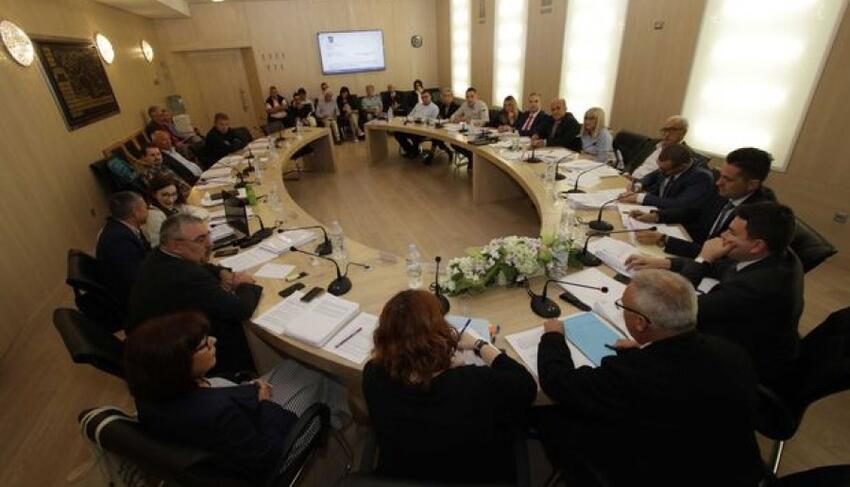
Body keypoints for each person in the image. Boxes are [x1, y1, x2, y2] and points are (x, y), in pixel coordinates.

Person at [534, 270, 763, 486]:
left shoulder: (632, 375)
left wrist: (553, 337)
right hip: (733, 469)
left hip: (659, 473)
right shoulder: (731, 351)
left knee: (548, 415)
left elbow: (558, 382)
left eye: (622, 307)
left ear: (640, 323)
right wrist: (645, 350)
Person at [124, 312, 350, 484]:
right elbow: (268, 455)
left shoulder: (149, 395)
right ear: (178, 366)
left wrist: (248, 394)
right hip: (273, 447)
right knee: (322, 376)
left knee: (298, 365)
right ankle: (331, 421)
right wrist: (263, 403)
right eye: (205, 344)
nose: (214, 341)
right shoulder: (218, 412)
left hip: (232, 422)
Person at [363, 290, 536, 484]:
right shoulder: (473, 384)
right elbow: (526, 385)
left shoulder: (373, 373)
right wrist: (479, 345)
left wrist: (444, 368)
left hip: (402, 473)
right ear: (440, 335)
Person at [625, 202, 804, 388]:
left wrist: (703, 259)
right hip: (743, 338)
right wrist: (668, 263)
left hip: (737, 369)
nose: (723, 236)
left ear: (757, 245)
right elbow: (724, 267)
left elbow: (674, 306)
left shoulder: (755, 288)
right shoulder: (775, 255)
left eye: (732, 233)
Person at [128, 214, 260, 374]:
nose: (210, 244)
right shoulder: (186, 276)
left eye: (208, 236)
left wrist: (220, 272)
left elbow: (200, 265)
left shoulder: (159, 255)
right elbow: (241, 309)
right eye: (200, 240)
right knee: (248, 328)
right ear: (176, 245)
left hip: (159, 338)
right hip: (177, 357)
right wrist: (244, 284)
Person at [631, 147, 775, 257]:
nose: (718, 182)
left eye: (727, 179)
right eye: (721, 176)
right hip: (693, 248)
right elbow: (694, 211)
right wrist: (657, 216)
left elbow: (721, 255)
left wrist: (665, 240)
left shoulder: (760, 214)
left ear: (752, 184)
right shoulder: (727, 190)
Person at [96, 191, 150, 310]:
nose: (148, 211)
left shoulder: (122, 227)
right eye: (146, 208)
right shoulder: (119, 240)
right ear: (136, 211)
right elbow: (136, 279)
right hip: (134, 301)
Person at [618, 143, 715, 209]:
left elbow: (679, 204)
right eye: (659, 167)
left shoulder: (701, 177)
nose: (660, 171)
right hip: (655, 209)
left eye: (664, 169)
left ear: (682, 167)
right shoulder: (667, 167)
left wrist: (639, 198)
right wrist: (638, 185)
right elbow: (651, 177)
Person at [143, 174, 209, 245]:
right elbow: (158, 244)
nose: (171, 200)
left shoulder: (176, 206)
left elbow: (203, 212)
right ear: (154, 195)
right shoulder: (154, 216)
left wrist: (188, 222)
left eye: (173, 194)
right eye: (165, 195)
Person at [394, 90, 440, 162]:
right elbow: (410, 115)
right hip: (412, 126)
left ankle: (413, 152)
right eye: (422, 97)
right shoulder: (418, 105)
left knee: (415, 136)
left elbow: (431, 122)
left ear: (430, 97)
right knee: (397, 133)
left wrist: (421, 120)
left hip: (424, 130)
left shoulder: (434, 108)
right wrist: (409, 119)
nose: (424, 99)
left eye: (426, 97)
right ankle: (410, 150)